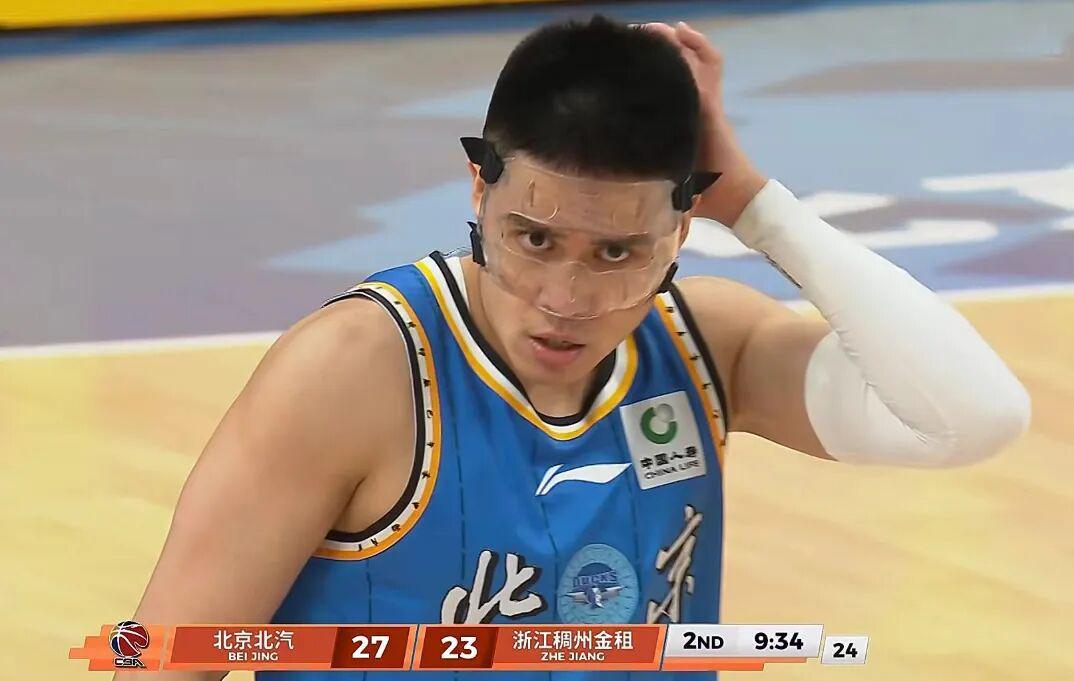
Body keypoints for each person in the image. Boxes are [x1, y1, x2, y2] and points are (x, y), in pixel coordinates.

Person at [118, 15, 1029, 681]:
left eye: (617, 252)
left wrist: (755, 203)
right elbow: (163, 658)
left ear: (682, 229)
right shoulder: (358, 370)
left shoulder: (708, 347)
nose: (565, 296)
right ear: (478, 189)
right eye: (535, 237)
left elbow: (974, 417)